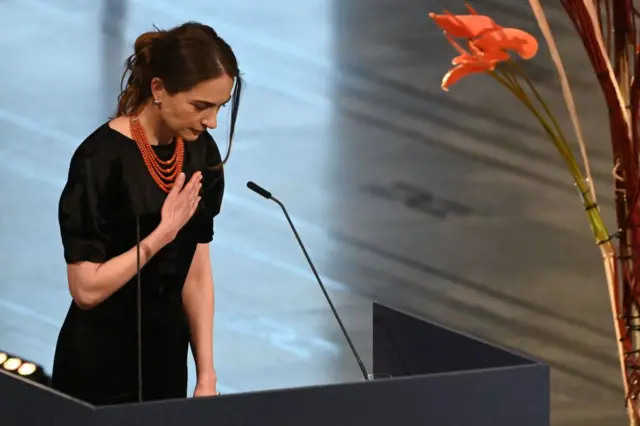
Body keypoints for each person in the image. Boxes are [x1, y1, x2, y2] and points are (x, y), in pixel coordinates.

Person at [50, 21, 243, 405]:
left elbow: (197, 272)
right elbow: (86, 289)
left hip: (166, 362)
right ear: (159, 89)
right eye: (201, 106)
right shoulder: (100, 160)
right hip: (98, 367)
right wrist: (161, 235)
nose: (212, 121)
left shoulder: (201, 154)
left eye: (220, 106)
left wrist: (206, 373)